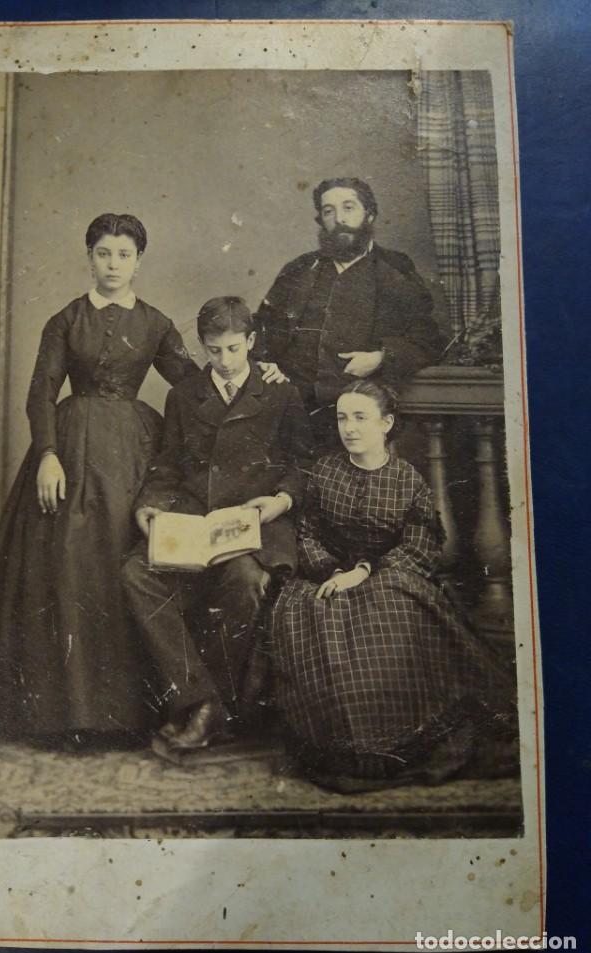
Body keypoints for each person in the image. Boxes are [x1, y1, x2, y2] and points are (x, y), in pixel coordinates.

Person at [0, 214, 285, 747]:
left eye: (124, 255)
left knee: (130, 563)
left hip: (131, 453)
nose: (113, 265)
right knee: (70, 565)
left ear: (138, 261)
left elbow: (199, 383)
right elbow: (41, 392)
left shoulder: (153, 322)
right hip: (72, 448)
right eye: (104, 253)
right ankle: (67, 715)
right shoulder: (65, 319)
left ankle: (134, 712)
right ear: (90, 256)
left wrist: (262, 372)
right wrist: (49, 455)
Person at [271, 380, 514, 793]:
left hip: (391, 578)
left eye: (360, 418)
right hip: (326, 580)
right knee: (314, 620)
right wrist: (331, 571)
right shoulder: (325, 471)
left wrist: (367, 571)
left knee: (391, 612)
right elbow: (307, 532)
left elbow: (420, 544)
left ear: (386, 423)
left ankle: (403, 742)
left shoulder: (407, 480)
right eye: (342, 418)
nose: (349, 428)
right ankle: (355, 749)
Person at [121, 296, 314, 753]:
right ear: (202, 346)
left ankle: (209, 709)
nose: (224, 362)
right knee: (136, 574)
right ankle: (203, 701)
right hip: (194, 519)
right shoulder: (184, 395)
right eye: (214, 350)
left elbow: (302, 461)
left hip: (256, 522)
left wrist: (281, 500)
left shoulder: (280, 392)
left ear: (250, 341)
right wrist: (148, 505)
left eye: (233, 349)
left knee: (246, 580)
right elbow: (167, 466)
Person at [254, 177, 444, 445]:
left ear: (369, 215)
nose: (339, 218)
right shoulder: (299, 269)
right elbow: (261, 328)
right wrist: (265, 362)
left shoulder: (395, 270)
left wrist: (381, 357)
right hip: (293, 411)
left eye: (349, 207)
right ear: (321, 220)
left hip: (361, 416)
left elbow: (429, 340)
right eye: (328, 211)